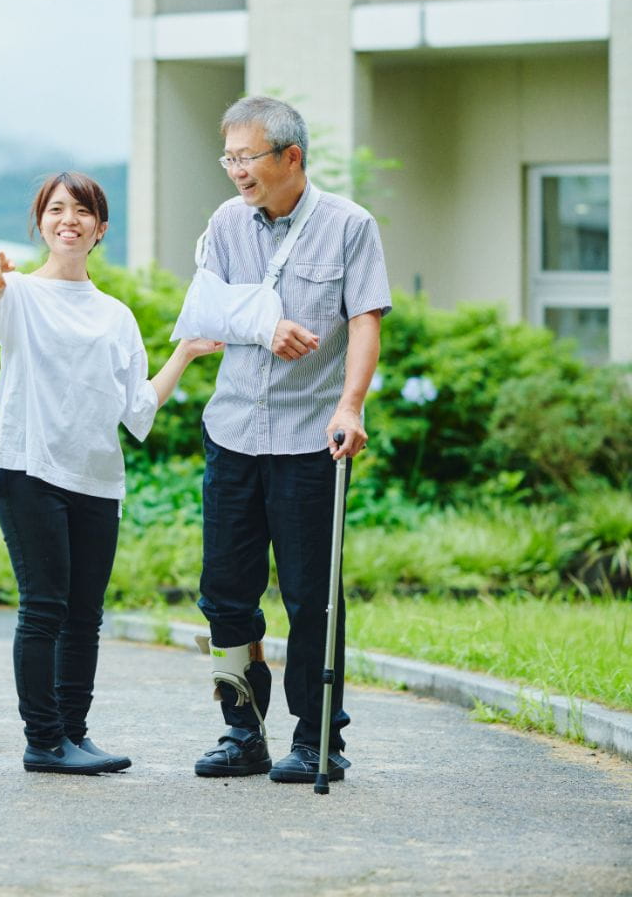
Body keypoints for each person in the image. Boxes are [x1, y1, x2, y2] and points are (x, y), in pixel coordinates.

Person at [0, 170, 299, 776]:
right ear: (41, 221)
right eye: (56, 210)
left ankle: (73, 733)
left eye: (82, 212)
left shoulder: (116, 315)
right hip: (29, 468)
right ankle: (43, 740)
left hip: (95, 478)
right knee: (44, 608)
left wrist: (187, 352)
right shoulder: (17, 293)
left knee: (85, 614)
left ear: (100, 229)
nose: (69, 220)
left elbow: (137, 408)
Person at [186, 95, 391, 784]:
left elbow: (365, 320)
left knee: (312, 597)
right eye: (231, 158)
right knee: (225, 595)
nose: (237, 171)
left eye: (248, 157)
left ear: (291, 157)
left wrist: (351, 405)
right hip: (234, 430)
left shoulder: (348, 226)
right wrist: (261, 327)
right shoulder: (225, 223)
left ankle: (318, 737)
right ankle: (242, 730)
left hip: (310, 437)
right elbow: (205, 309)